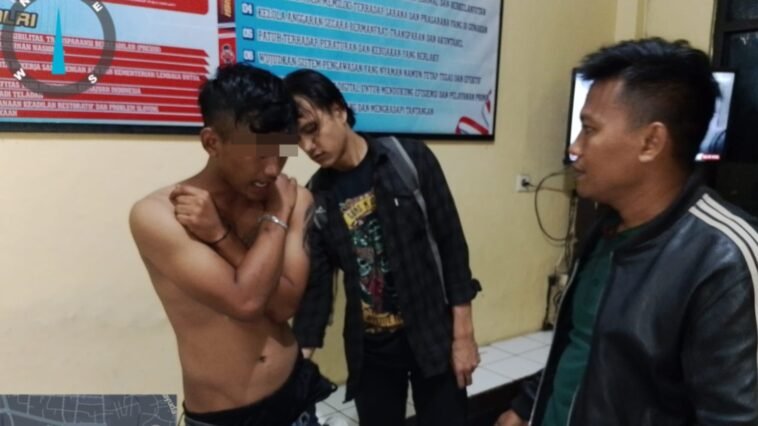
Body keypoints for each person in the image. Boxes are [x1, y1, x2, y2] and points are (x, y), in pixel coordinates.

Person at [496, 38, 758, 426]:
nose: (574, 148)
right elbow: (583, 346)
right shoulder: (607, 229)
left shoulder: (725, 259)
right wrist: (526, 407)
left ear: (651, 142)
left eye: (589, 130)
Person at [129, 63, 334, 426]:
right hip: (224, 414)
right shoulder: (158, 215)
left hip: (294, 394)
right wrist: (276, 218)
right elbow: (246, 301)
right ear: (212, 142)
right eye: (259, 153)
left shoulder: (292, 200)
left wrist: (224, 235)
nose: (272, 170)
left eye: (281, 152)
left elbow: (282, 306)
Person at [284, 69, 482, 426]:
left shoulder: (408, 159)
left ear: (339, 111)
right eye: (299, 139)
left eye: (312, 129)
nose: (309, 146)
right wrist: (298, 364)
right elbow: (318, 289)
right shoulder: (318, 197)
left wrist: (464, 336)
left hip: (432, 334)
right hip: (371, 350)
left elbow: (452, 247)